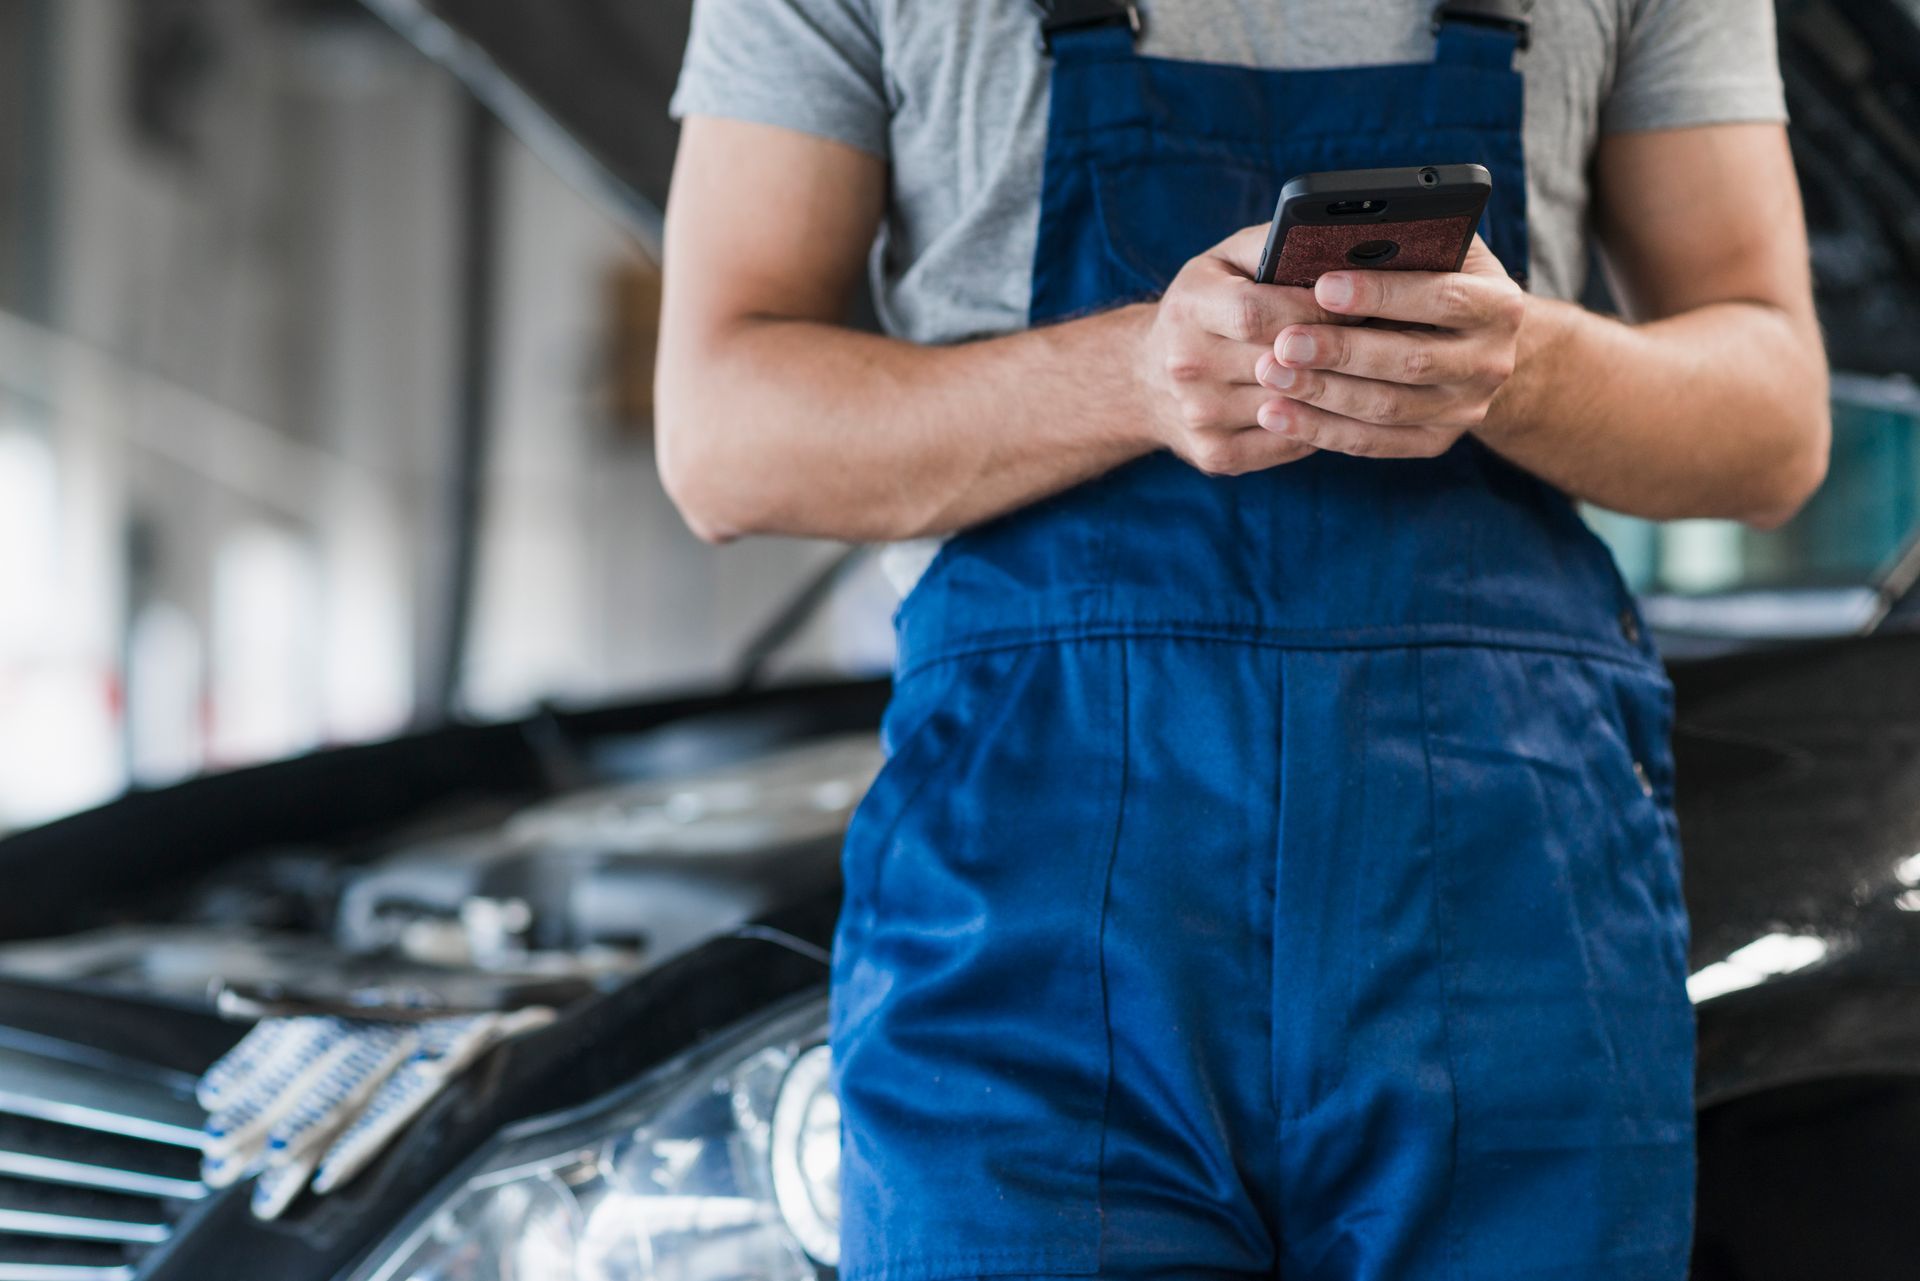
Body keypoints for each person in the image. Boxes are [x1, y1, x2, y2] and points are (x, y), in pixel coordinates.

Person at [659, 1, 1829, 1277]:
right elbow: (722, 439)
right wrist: (1130, 377)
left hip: (1505, 918)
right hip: (1034, 918)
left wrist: (1525, 366)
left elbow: (1773, 428)